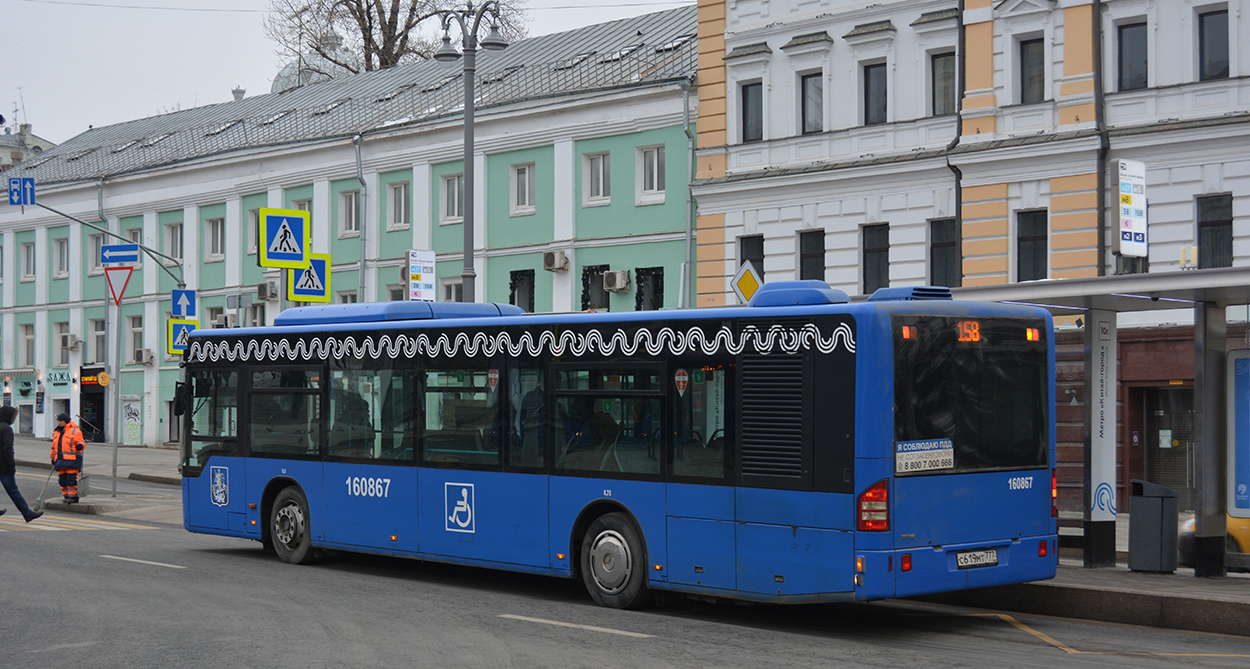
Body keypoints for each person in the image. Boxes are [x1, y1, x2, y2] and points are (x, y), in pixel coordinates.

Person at [0, 405, 42, 522]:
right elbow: (7, 450)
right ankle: (27, 513)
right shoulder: (6, 429)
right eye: (13, 416)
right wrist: (11, 466)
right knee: (13, 491)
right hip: (3, 467)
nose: (14, 418)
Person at [50, 413, 85, 504]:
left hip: (72, 461)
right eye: (58, 421)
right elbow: (54, 447)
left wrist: (80, 445)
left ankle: (72, 497)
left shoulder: (75, 431)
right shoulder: (57, 432)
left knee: (71, 480)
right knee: (62, 480)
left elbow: (82, 442)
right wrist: (53, 457)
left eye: (61, 421)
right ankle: (66, 496)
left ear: (66, 421)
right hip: (60, 461)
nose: (59, 422)